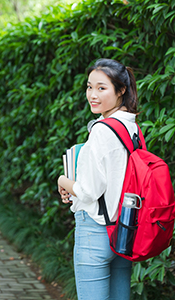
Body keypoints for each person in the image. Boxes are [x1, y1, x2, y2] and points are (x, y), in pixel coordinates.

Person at [57, 58, 139, 300]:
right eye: (89, 86)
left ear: (121, 90)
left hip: (95, 230)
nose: (92, 95)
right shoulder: (131, 127)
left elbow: (89, 190)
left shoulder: (103, 131)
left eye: (101, 88)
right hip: (124, 228)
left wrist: (63, 180)